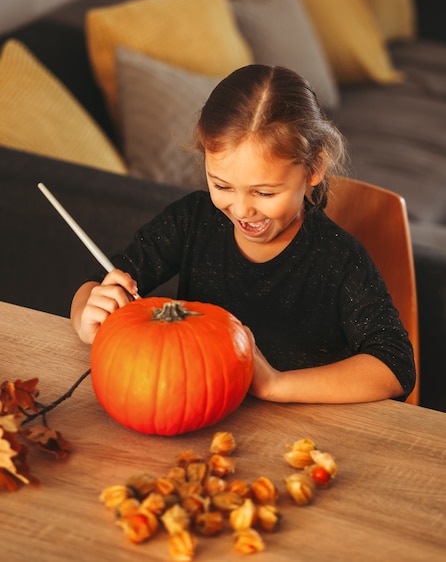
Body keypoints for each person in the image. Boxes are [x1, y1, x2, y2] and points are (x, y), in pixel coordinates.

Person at [71, 64, 416, 404]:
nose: (241, 210)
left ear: (314, 168)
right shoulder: (192, 220)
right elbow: (100, 281)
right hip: (201, 411)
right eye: (221, 185)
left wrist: (274, 385)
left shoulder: (339, 258)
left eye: (264, 193)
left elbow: (394, 366)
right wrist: (89, 315)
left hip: (303, 432)